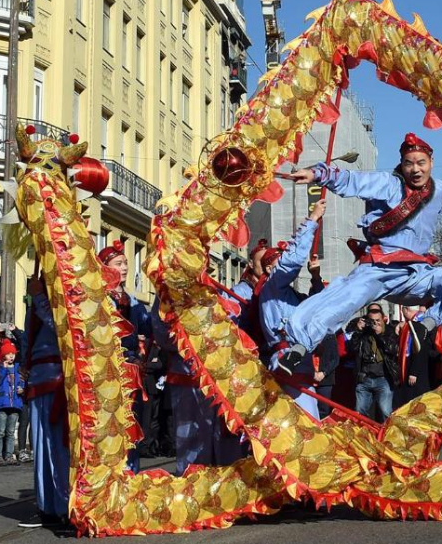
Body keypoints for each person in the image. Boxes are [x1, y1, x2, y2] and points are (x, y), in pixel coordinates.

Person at [276, 132, 442, 373]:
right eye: (409, 164)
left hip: (415, 274)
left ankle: (425, 325)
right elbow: (351, 179)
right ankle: (298, 348)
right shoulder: (387, 183)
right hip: (378, 269)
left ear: (431, 163)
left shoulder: (439, 190)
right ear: (402, 165)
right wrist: (317, 173)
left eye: (421, 163)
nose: (415, 170)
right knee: (343, 300)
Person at [152, 299, 246, 476]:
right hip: (187, 381)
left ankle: (225, 485)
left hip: (218, 380)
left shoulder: (209, 293)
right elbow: (163, 336)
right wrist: (195, 337)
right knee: (190, 442)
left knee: (222, 439)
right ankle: (193, 487)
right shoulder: (166, 295)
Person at [259, 201, 327, 418]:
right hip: (286, 359)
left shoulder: (289, 294)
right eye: (281, 259)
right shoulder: (271, 286)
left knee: (308, 420)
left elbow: (317, 309)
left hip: (301, 361)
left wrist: (315, 277)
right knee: (304, 421)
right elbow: (292, 262)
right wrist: (313, 219)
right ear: (271, 268)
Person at [98, 240, 152, 472]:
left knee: (131, 422)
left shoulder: (133, 301)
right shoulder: (99, 299)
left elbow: (148, 329)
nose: (124, 268)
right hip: (107, 369)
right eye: (118, 263)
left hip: (130, 369)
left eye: (126, 263)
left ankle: (131, 472)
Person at [22, 278, 70, 527]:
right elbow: (27, 343)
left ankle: (65, 505)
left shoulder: (68, 300)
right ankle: (47, 506)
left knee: (60, 448)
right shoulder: (34, 307)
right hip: (39, 382)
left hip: (60, 380)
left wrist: (40, 298)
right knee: (40, 446)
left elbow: (64, 331)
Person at [349, 308, 400, 421]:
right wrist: (358, 331)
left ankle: (386, 435)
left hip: (384, 378)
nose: (375, 323)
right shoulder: (363, 333)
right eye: (372, 321)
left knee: (385, 411)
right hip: (365, 377)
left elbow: (393, 350)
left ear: (383, 319)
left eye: (378, 320)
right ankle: (365, 435)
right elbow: (352, 348)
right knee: (359, 411)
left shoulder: (390, 332)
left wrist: (380, 335)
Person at [394, 306, 433, 408]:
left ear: (406, 310)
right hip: (408, 361)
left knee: (418, 398)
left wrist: (414, 371)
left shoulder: (420, 323)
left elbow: (421, 348)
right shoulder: (410, 323)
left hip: (417, 366)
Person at [0, 346, 24, 466]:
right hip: (1, 404)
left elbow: (22, 381)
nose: (11, 356)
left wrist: (22, 388)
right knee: (0, 431)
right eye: (8, 353)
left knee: (10, 432)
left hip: (15, 404)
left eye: (13, 353)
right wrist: (3, 370)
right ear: (3, 355)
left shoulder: (17, 368)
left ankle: (9, 455)